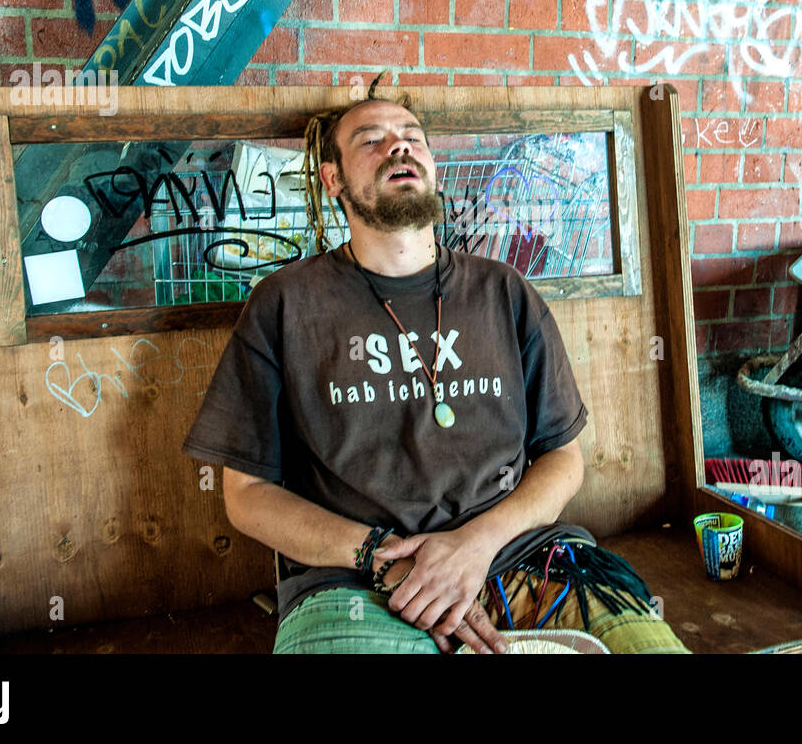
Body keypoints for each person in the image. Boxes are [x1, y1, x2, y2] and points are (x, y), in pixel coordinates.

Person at [182, 84, 688, 654]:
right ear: (333, 181)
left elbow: (563, 459)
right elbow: (246, 493)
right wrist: (378, 555)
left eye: (412, 138)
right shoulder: (285, 304)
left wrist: (475, 545)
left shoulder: (504, 292)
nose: (398, 148)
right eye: (371, 141)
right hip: (359, 582)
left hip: (526, 556)